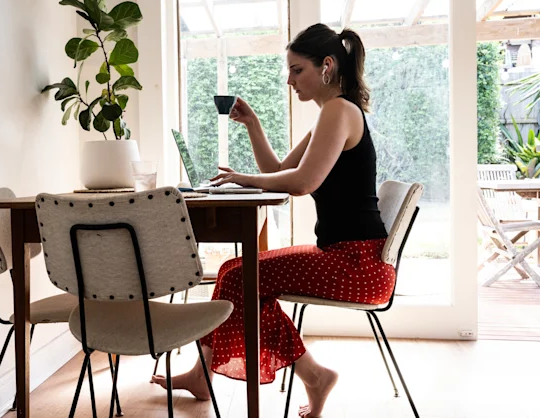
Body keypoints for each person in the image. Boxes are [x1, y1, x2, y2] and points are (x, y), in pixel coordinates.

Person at [151, 23, 394, 418]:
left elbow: (302, 182)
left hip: (356, 264)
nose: (289, 80)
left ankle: (311, 375)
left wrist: (243, 179)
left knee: (239, 277)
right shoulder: (332, 114)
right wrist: (253, 125)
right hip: (348, 256)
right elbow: (280, 170)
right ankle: (204, 375)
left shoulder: (339, 111)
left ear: (327, 66)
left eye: (297, 70)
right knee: (233, 270)